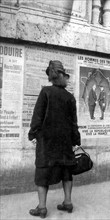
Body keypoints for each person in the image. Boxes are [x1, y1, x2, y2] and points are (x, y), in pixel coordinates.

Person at [28, 60, 81, 218]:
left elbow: (37, 116)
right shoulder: (70, 97)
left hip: (47, 141)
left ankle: (42, 208)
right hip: (65, 142)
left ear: (51, 78)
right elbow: (74, 122)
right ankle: (68, 202)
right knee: (66, 172)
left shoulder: (45, 92)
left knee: (43, 173)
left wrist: (33, 134)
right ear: (62, 76)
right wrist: (75, 140)